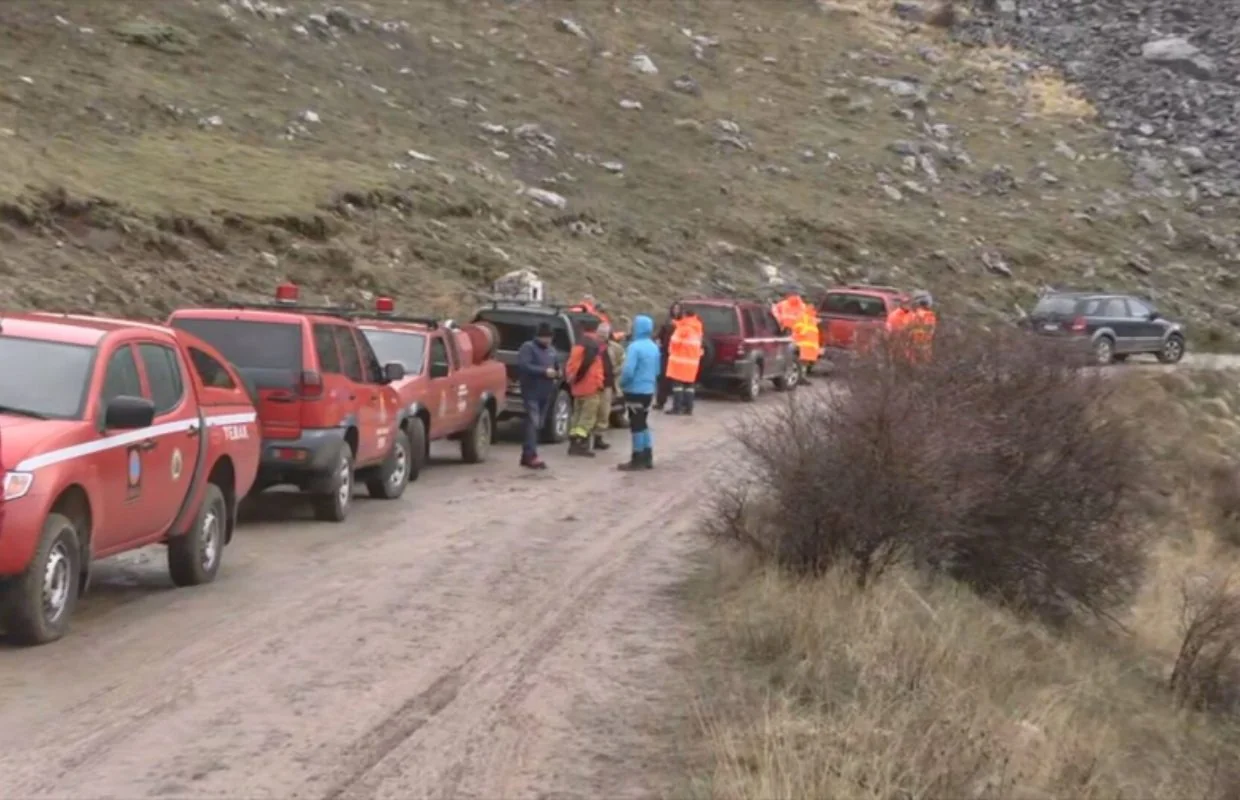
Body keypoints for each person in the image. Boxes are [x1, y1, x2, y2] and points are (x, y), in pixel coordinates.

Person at [617, 314, 661, 470]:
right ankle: (647, 455)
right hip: (648, 390)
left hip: (635, 390)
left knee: (636, 424)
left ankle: (637, 457)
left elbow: (628, 370)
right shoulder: (654, 346)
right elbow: (657, 370)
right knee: (643, 422)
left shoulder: (634, 347)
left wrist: (622, 383)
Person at [514, 322, 560, 469]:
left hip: (546, 392)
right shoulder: (528, 348)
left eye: (550, 338)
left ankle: (526, 454)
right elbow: (524, 365)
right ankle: (531, 455)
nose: (547, 341)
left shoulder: (552, 351)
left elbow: (556, 367)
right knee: (533, 423)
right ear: (538, 336)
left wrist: (558, 373)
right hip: (531, 391)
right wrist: (543, 371)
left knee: (539, 423)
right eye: (545, 337)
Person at [564, 315, 608, 456]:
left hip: (578, 387)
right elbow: (595, 368)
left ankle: (573, 444)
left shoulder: (579, 343)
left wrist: (573, 380)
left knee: (576, 416)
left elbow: (572, 366)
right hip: (590, 387)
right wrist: (599, 384)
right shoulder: (594, 344)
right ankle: (581, 445)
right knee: (587, 419)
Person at [591, 320, 626, 451]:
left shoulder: (614, 348)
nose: (602, 336)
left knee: (604, 412)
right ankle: (585, 439)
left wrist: (618, 369)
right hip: (593, 385)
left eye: (604, 334)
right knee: (591, 412)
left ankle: (598, 438)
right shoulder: (591, 346)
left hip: (607, 384)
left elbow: (623, 358)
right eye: (600, 334)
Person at [666, 307, 704, 415]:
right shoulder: (698, 328)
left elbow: (674, 341)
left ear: (685, 315)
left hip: (680, 361)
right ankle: (688, 408)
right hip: (693, 362)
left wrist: (671, 351)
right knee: (689, 386)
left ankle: (676, 408)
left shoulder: (683, 328)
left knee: (677, 385)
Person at [654, 302, 682, 411]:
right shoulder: (667, 322)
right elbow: (660, 335)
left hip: (678, 355)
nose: (676, 310)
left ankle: (678, 405)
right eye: (674, 308)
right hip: (666, 353)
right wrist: (658, 341)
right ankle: (660, 402)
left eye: (678, 308)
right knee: (663, 379)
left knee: (678, 381)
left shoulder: (683, 324)